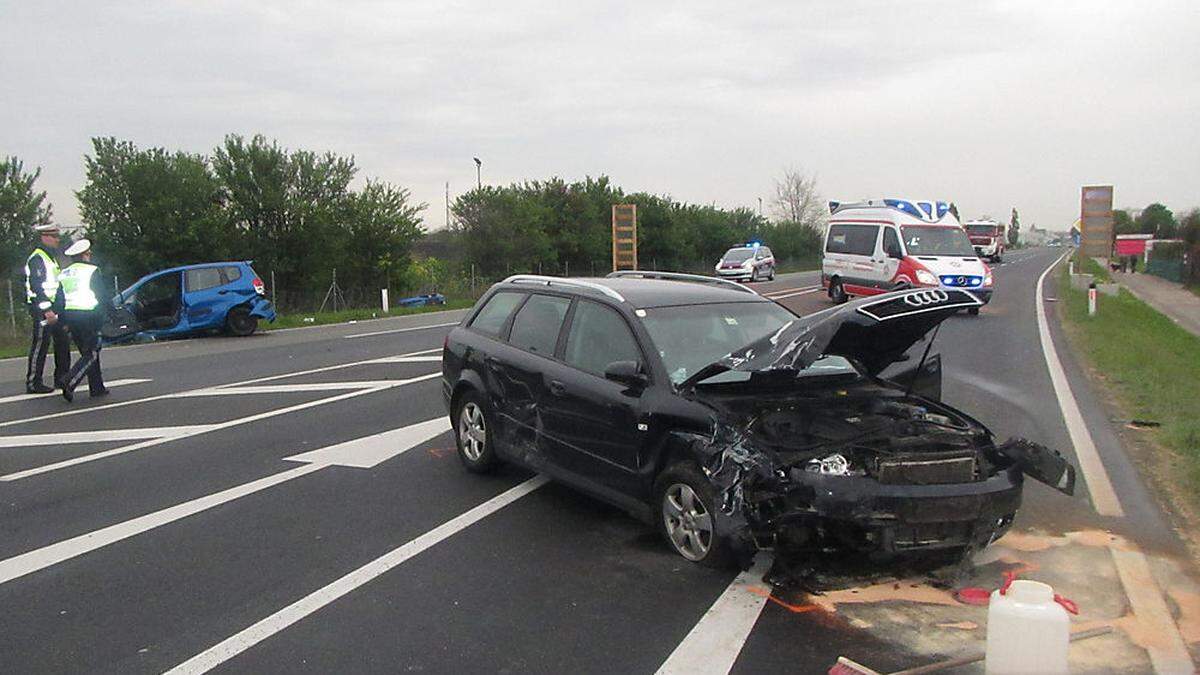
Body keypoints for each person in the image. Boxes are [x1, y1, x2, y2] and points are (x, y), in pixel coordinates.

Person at [57, 239, 109, 402]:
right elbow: (101, 293)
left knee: (86, 352)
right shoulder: (91, 270)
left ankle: (97, 387)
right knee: (92, 353)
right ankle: (69, 381)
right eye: (88, 253)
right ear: (83, 255)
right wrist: (111, 311)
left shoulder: (64, 273)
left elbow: (59, 300)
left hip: (70, 316)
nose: (90, 256)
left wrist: (63, 321)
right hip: (88, 315)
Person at [23, 223, 71, 394]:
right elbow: (37, 287)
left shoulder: (51, 257)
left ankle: (62, 378)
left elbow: (56, 286)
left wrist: (60, 310)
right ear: (44, 237)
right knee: (41, 343)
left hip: (54, 308)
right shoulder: (37, 258)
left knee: (62, 342)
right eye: (54, 236)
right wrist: (47, 309)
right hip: (41, 308)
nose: (57, 240)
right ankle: (33, 381)